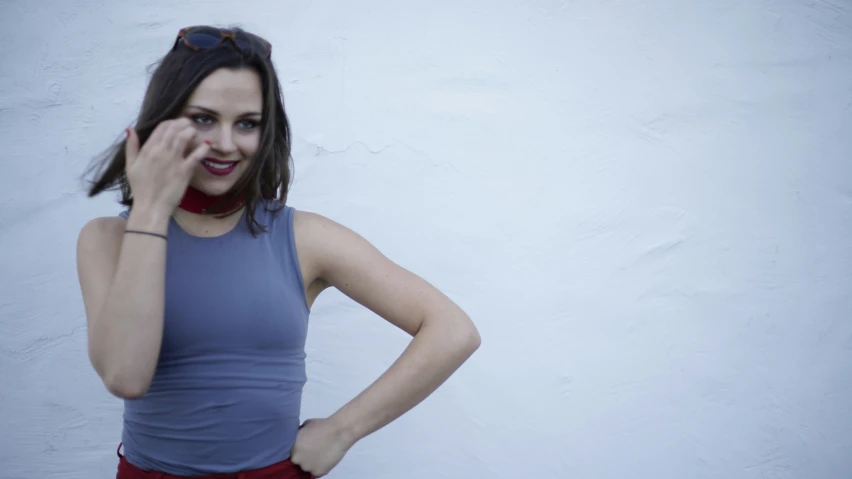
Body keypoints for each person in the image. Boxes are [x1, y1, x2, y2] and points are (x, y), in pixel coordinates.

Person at [75, 25, 481, 479]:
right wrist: (151, 209)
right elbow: (126, 377)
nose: (226, 143)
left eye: (247, 123)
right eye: (203, 118)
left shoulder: (304, 237)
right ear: (164, 119)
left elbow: (452, 330)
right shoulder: (106, 239)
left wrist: (343, 430)